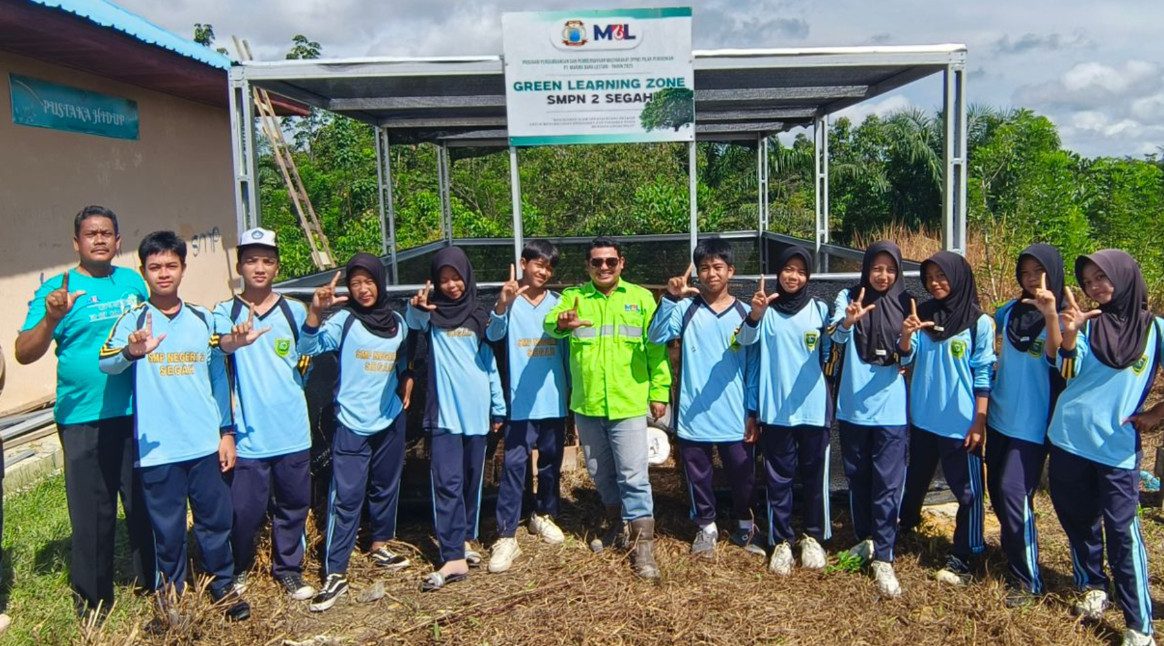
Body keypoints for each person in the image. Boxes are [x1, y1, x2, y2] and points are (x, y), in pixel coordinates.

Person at [98, 231, 251, 621]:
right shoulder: (133, 321)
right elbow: (106, 362)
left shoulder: (203, 319)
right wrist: (132, 351)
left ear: (183, 269)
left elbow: (219, 373)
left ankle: (222, 585)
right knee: (166, 531)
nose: (163, 273)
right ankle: (173, 596)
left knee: (214, 522)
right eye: (155, 267)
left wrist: (226, 432)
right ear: (144, 272)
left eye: (171, 265)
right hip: (158, 450)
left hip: (203, 443)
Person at [15, 205, 154, 617]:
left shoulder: (132, 283)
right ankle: (94, 602)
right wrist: (52, 317)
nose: (99, 239)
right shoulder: (56, 290)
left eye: (106, 233)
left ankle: (153, 581)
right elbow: (24, 352)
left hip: (137, 412)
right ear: (76, 243)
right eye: (90, 233)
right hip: (83, 417)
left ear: (118, 241)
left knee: (143, 501)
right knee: (93, 512)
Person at [1046, 250, 1162, 646]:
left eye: (1102, 278)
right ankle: (1092, 583)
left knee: (1123, 532)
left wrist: (1156, 413)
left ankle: (1139, 626)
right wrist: (1072, 334)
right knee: (1078, 518)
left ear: (1126, 277)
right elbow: (1064, 372)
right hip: (1068, 438)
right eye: (1089, 280)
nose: (1095, 287)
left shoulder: (1156, 331)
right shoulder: (1089, 324)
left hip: (1115, 450)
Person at [544, 236, 670, 579]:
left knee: (633, 474)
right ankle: (616, 523)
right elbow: (551, 324)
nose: (603, 267)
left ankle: (642, 548)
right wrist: (561, 324)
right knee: (599, 471)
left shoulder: (642, 299)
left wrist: (659, 391)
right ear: (587, 266)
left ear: (621, 264)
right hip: (587, 405)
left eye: (610, 261)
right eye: (596, 262)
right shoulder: (574, 298)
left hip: (627, 402)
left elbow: (656, 350)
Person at [298, 254, 415, 611]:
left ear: (381, 283)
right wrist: (316, 313)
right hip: (351, 422)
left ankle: (380, 544)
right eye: (356, 283)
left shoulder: (397, 322)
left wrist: (407, 380)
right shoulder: (344, 322)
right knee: (345, 497)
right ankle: (335, 571)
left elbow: (405, 358)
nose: (364, 289)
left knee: (385, 485)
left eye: (370, 282)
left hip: (390, 420)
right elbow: (308, 347)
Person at [213, 228, 315, 601]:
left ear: (277, 266)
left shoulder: (294, 310)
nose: (259, 268)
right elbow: (219, 354)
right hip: (248, 435)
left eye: (267, 261)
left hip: (291, 430)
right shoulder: (224, 313)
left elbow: (306, 360)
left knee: (293, 506)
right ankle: (239, 566)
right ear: (239, 265)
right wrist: (233, 342)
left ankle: (288, 569)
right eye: (252, 260)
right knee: (245, 510)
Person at [647, 237, 761, 559]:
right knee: (698, 476)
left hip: (734, 416)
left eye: (718, 267)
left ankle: (744, 525)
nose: (711, 274)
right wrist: (669, 297)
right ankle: (706, 527)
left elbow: (752, 367)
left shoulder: (745, 313)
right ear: (697, 273)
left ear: (731, 272)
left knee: (742, 476)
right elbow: (655, 336)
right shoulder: (685, 308)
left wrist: (751, 411)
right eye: (705, 268)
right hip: (693, 415)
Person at [406, 247, 505, 592]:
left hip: (476, 415)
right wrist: (416, 306)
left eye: (456, 278)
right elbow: (413, 321)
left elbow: (492, 349)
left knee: (469, 481)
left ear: (467, 277)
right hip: (446, 415)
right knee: (446, 484)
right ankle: (451, 555)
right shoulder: (431, 315)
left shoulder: (479, 316)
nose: (451, 286)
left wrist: (498, 407)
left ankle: (464, 540)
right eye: (443, 279)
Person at [898, 251, 996, 587]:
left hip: (960, 424)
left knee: (968, 492)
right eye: (930, 278)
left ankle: (966, 554)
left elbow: (983, 373)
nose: (935, 283)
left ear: (959, 277)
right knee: (914, 482)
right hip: (923, 418)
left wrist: (979, 421)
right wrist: (907, 335)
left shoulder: (978, 322)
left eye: (943, 276)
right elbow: (907, 359)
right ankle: (903, 527)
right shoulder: (921, 314)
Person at [738, 246, 833, 576]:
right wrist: (754, 314)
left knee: (813, 477)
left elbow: (828, 353)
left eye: (800, 271)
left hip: (813, 410)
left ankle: (812, 537)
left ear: (808, 276)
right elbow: (744, 342)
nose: (793, 276)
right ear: (778, 272)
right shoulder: (766, 310)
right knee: (778, 479)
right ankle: (780, 541)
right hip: (775, 411)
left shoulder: (820, 310)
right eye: (787, 269)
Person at [827, 241, 912, 598]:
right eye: (876, 268)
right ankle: (866, 541)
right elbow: (833, 337)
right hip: (853, 408)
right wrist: (848, 320)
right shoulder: (848, 295)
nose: (883, 275)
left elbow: (906, 361)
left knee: (888, 484)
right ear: (866, 270)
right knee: (858, 477)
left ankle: (885, 555)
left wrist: (906, 339)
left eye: (890, 269)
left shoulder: (906, 302)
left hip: (891, 410)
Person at [984, 243, 1064, 607]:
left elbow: (1060, 356)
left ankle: (1027, 579)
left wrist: (1050, 314)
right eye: (1025, 273)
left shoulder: (1064, 318)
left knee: (1015, 493)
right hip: (999, 418)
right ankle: (1014, 550)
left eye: (1038, 272)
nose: (1031, 280)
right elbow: (983, 328)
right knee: (998, 493)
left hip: (1032, 427)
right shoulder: (1008, 312)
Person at [485, 241, 570, 573]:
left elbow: (566, 349)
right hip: (520, 403)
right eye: (538, 264)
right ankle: (506, 534)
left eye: (549, 267)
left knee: (550, 462)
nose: (543, 272)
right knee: (514, 465)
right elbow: (493, 334)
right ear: (523, 264)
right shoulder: (510, 301)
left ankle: (543, 515)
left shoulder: (560, 304)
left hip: (553, 399)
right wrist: (503, 304)